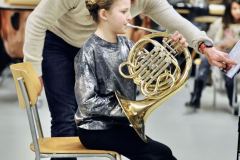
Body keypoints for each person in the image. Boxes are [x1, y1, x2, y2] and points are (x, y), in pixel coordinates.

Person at [23, 0, 236, 158]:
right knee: (64, 121)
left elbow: (176, 22)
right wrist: (34, 69)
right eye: (124, 10)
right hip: (58, 43)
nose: (129, 14)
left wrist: (207, 48)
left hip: (96, 44)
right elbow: (36, 21)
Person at [74, 0, 187, 159]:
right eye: (123, 12)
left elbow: (153, 77)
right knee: (158, 155)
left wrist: (174, 53)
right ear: (104, 14)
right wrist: (126, 110)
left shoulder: (127, 45)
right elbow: (86, 103)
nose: (129, 17)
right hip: (94, 130)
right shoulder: (88, 52)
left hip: (118, 126)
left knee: (161, 153)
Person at [185, 0, 240, 110]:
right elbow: (208, 41)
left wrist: (232, 42)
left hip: (234, 58)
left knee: (230, 77)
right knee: (204, 65)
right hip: (217, 53)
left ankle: (233, 103)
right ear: (229, 10)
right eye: (234, 8)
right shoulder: (219, 23)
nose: (238, 11)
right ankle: (196, 97)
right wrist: (221, 45)